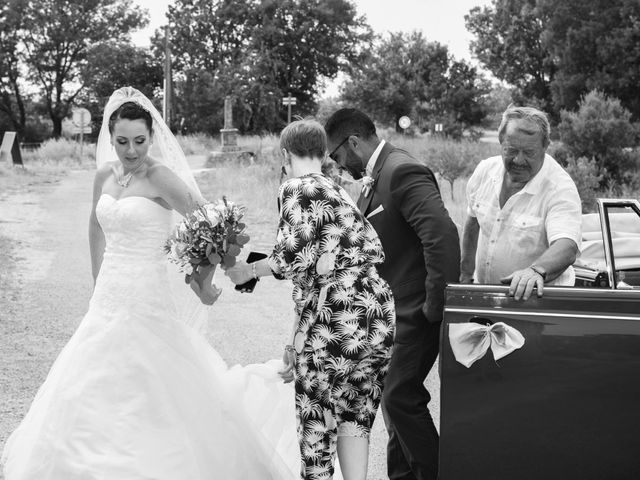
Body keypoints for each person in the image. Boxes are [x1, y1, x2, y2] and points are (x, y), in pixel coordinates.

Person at [1, 87, 299, 479]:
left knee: (151, 378)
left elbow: (211, 224)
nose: (131, 150)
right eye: (122, 142)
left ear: (151, 137)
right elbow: (95, 226)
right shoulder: (104, 175)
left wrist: (201, 282)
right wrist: (96, 282)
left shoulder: (161, 177)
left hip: (146, 293)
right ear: (109, 139)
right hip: (108, 291)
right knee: (91, 376)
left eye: (139, 141)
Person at [225, 119, 396, 480]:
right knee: (355, 417)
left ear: (285, 155)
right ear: (322, 153)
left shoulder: (296, 187)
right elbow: (313, 277)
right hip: (376, 313)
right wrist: (294, 343)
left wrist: (249, 272)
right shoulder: (338, 191)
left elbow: (294, 259)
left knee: (317, 427)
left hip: (335, 319)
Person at [324, 108, 460, 480]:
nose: (337, 165)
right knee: (388, 399)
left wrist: (435, 306)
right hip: (390, 313)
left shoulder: (401, 170)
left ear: (353, 142)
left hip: (416, 310)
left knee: (399, 397)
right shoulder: (377, 174)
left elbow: (441, 237)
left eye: (336, 155)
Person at [460, 105, 582, 300]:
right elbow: (473, 223)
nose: (518, 160)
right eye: (511, 150)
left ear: (545, 145)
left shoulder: (560, 188)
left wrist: (536, 271)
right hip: (485, 298)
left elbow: (567, 246)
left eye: (529, 152)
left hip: (536, 304)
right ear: (501, 141)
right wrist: (465, 278)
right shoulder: (484, 171)